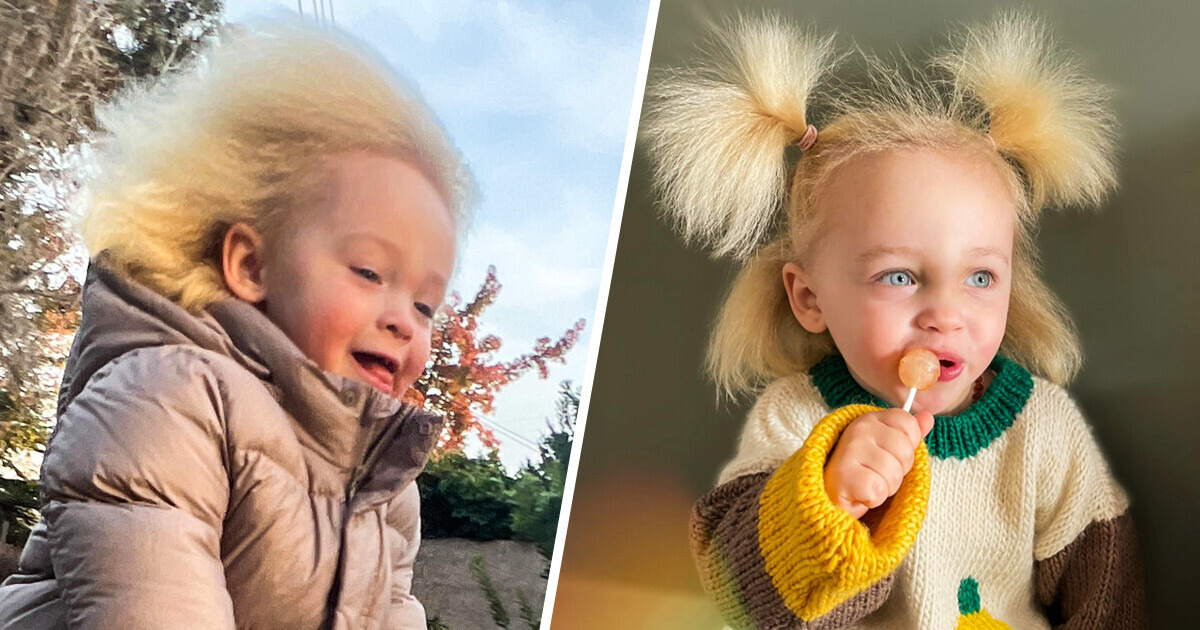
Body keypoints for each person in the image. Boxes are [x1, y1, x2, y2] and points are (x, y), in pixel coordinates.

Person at [642, 12, 1147, 629]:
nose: (946, 315)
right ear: (810, 298)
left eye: (980, 277)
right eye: (900, 277)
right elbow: (743, 604)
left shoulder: (1044, 428)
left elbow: (1105, 598)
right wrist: (829, 503)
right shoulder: (795, 419)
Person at [0, 21, 472, 629]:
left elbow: (393, 614)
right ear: (251, 265)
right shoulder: (167, 401)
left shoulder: (383, 484)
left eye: (426, 306)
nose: (405, 322)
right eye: (370, 271)